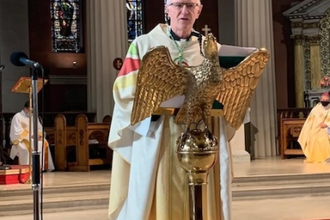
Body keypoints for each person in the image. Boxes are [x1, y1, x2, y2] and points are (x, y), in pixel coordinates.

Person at [108, 0, 257, 219]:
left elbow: (226, 94)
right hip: (158, 138)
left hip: (203, 138)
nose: (183, 11)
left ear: (199, 10)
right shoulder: (143, 45)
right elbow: (123, 93)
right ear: (167, 9)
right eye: (178, 5)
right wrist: (158, 107)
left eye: (190, 5)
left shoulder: (211, 48)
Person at [9, 101, 55, 171]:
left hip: (34, 138)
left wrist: (39, 135)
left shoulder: (33, 117)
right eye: (30, 110)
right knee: (30, 145)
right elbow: (16, 132)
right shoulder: (18, 116)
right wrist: (30, 136)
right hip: (23, 140)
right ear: (25, 108)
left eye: (32, 111)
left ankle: (40, 167)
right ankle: (28, 168)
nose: (31, 113)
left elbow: (39, 128)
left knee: (43, 142)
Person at [298, 92, 330, 163]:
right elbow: (309, 122)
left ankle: (327, 157)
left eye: (326, 100)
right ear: (320, 100)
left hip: (327, 129)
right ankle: (315, 157)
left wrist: (326, 124)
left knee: (324, 137)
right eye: (323, 99)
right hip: (316, 129)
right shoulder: (315, 109)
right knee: (312, 136)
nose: (324, 101)